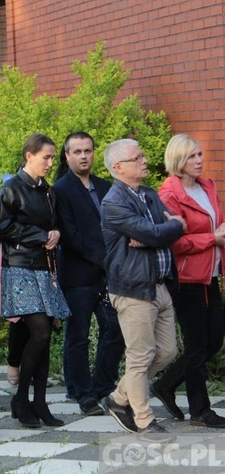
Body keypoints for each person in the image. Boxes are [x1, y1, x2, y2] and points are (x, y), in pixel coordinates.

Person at [100, 138, 185, 440]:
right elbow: (153, 232)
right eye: (138, 157)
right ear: (119, 167)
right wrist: (163, 230)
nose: (145, 160)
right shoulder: (113, 203)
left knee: (167, 351)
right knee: (140, 357)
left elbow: (164, 230)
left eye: (143, 155)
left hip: (159, 285)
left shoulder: (148, 194)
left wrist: (166, 230)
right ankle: (145, 421)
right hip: (133, 289)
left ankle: (119, 397)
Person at [0, 133, 71, 428]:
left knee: (45, 335)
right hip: (20, 267)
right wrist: (42, 236)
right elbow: (3, 227)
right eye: (46, 157)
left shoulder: (48, 191)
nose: (51, 163)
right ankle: (22, 398)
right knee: (39, 331)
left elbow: (54, 225)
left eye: (53, 158)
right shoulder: (11, 188)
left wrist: (56, 233)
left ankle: (38, 402)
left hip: (45, 268)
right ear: (29, 155)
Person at [150, 134, 225, 428]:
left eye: (200, 154)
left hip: (210, 273)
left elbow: (213, 224)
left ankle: (166, 384)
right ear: (179, 160)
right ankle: (200, 411)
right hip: (186, 277)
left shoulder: (207, 187)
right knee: (197, 344)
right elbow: (174, 241)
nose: (200, 160)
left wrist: (218, 232)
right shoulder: (169, 193)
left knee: (213, 340)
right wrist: (212, 238)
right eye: (193, 156)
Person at [53, 132, 124, 416]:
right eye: (77, 151)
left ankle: (102, 385)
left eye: (88, 151)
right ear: (67, 156)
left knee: (115, 329)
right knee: (78, 335)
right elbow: (70, 235)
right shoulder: (61, 190)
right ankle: (83, 393)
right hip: (78, 275)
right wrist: (105, 259)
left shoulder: (106, 186)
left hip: (108, 274)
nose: (84, 156)